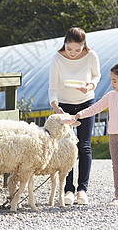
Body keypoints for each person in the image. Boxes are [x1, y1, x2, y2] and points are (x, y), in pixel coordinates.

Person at [74, 62, 118, 206]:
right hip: (113, 136)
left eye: (115, 80)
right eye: (111, 80)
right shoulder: (110, 96)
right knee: (116, 166)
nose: (112, 83)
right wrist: (80, 114)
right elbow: (96, 107)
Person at [48, 27, 101, 205]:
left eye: (77, 50)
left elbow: (96, 76)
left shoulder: (91, 55)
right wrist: (56, 107)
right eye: (69, 49)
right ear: (64, 43)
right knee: (67, 146)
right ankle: (68, 189)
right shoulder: (57, 59)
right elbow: (53, 88)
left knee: (84, 146)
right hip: (64, 104)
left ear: (84, 46)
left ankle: (82, 190)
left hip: (86, 102)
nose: (72, 53)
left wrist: (90, 86)